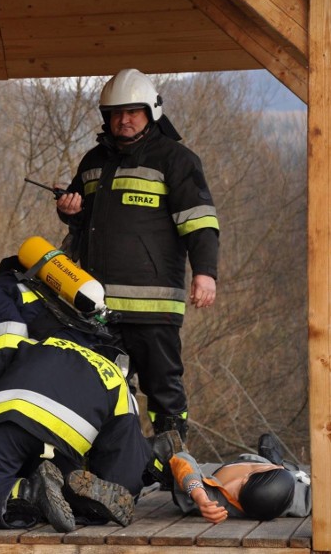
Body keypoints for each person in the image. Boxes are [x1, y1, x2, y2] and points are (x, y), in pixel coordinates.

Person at [0, 253, 151, 531]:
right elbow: (124, 437)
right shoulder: (45, 298)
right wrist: (127, 484)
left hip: (27, 397)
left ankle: (28, 494)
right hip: (83, 414)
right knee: (65, 483)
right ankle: (153, 457)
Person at [56, 68, 220, 439]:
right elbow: (80, 219)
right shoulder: (93, 161)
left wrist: (205, 272)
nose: (123, 120)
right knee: (101, 392)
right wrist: (69, 209)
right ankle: (112, 468)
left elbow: (200, 221)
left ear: (151, 112)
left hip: (154, 309)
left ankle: (177, 469)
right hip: (98, 309)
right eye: (116, 113)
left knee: (163, 391)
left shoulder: (176, 159)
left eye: (132, 112)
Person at [170, 433, 312, 523]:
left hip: (254, 467)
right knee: (269, 444)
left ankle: (273, 462)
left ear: (244, 479)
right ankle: (274, 461)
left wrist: (199, 495)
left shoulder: (214, 499)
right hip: (276, 473)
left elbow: (181, 459)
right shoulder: (296, 500)